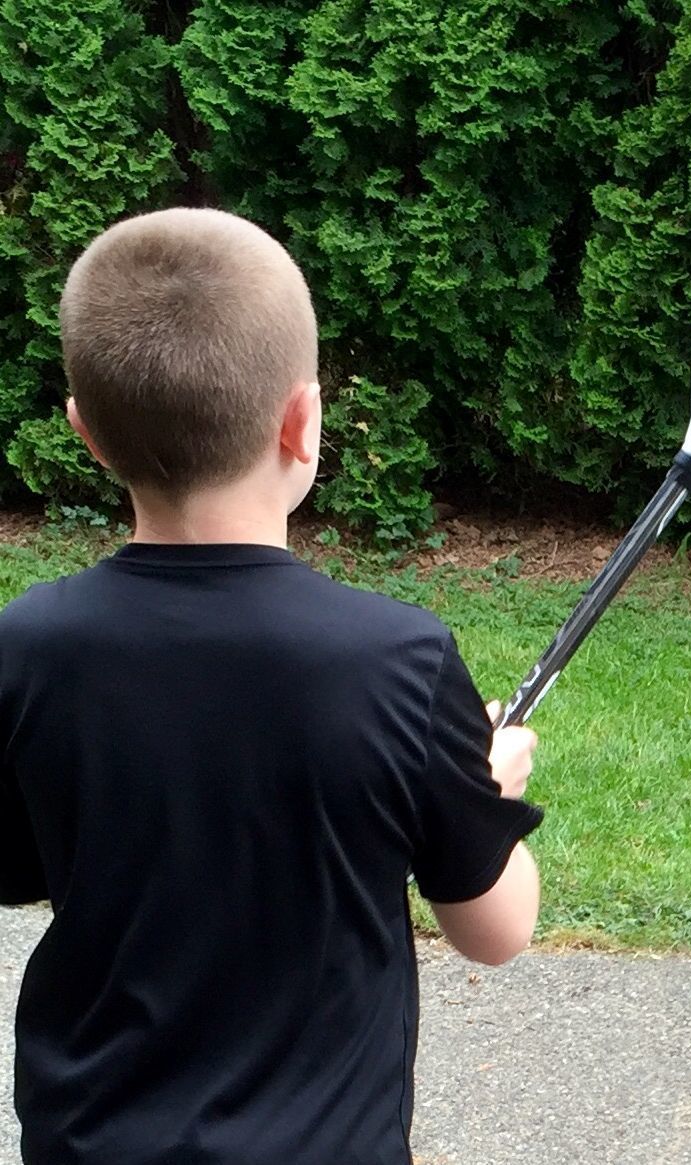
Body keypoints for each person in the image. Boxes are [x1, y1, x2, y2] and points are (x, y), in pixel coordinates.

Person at [0, 207, 544, 1164]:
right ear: (303, 420)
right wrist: (485, 788)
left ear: (86, 434)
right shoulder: (398, 664)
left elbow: (18, 866)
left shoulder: (25, 647)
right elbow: (495, 930)